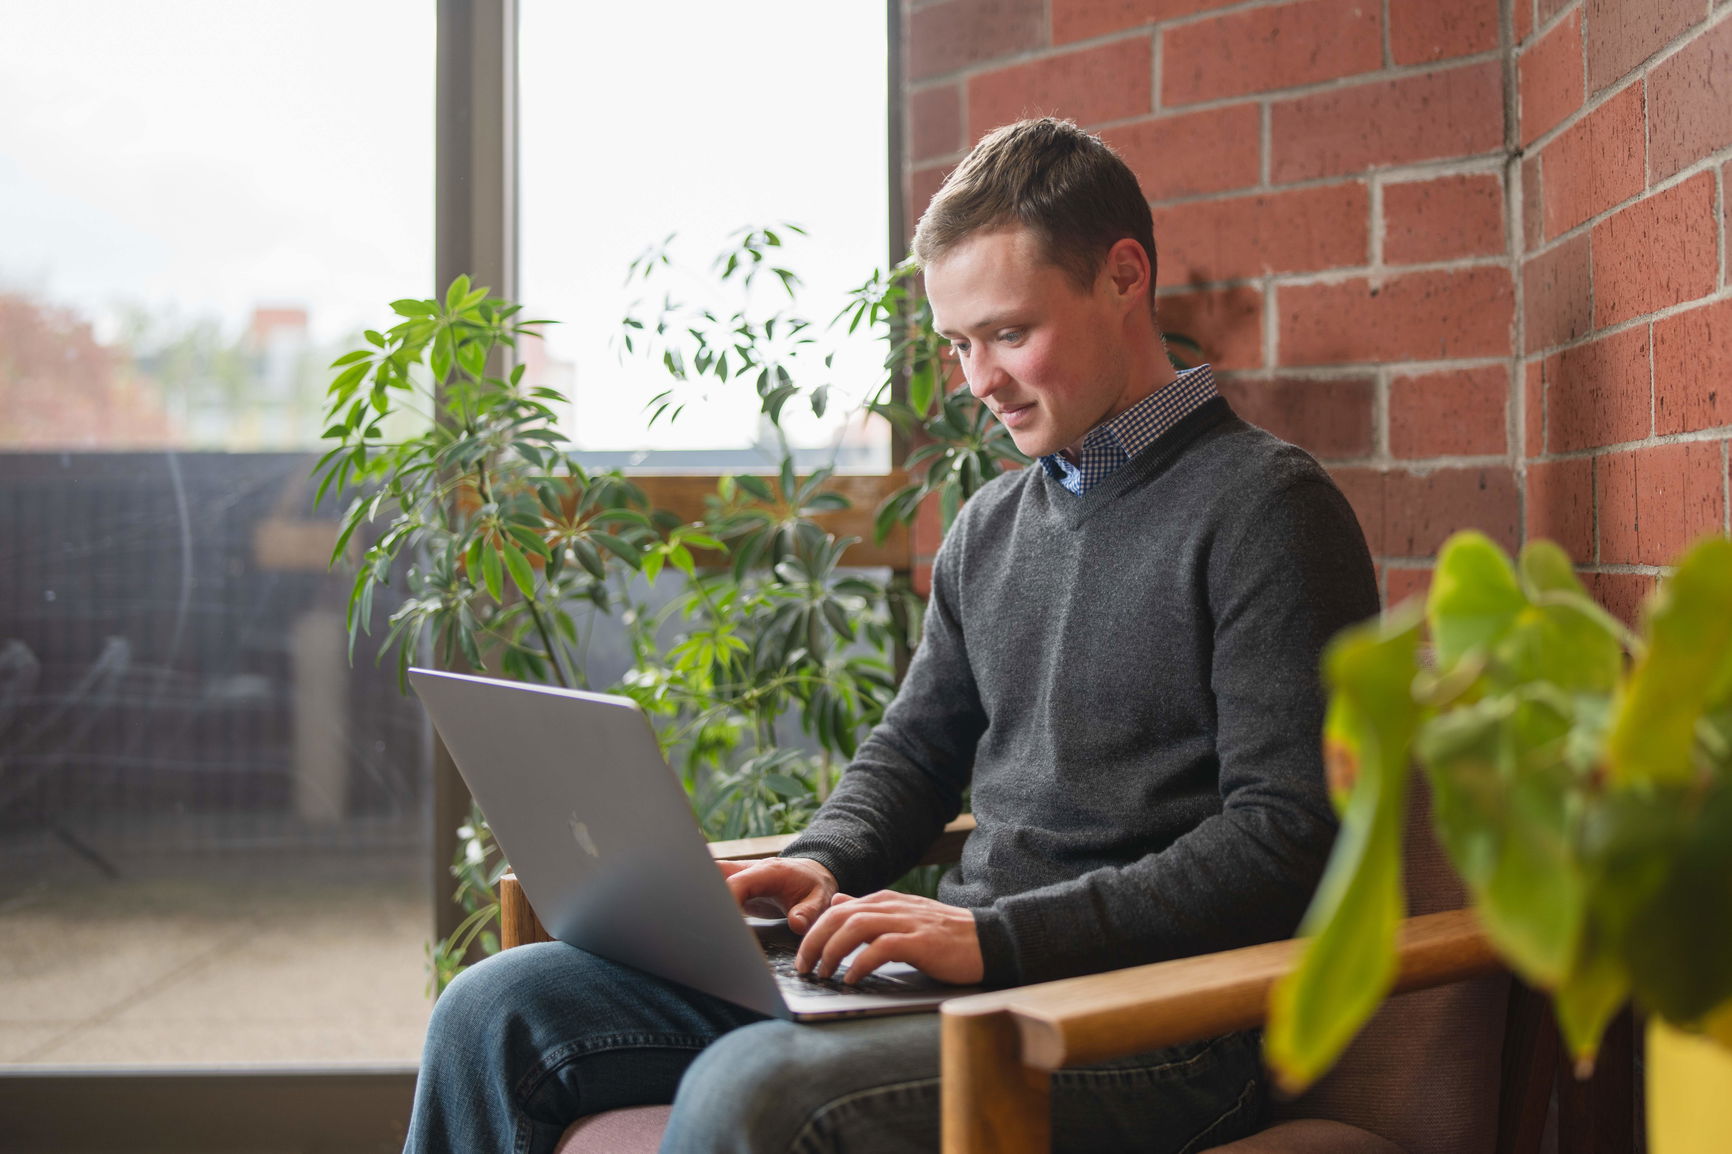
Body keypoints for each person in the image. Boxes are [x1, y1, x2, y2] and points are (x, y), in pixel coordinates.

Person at [404, 117, 1379, 1154]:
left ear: (1122, 275)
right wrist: (820, 859)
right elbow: (915, 752)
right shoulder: (992, 527)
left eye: (1007, 333)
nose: (977, 381)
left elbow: (1285, 834)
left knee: (754, 1090)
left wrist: (994, 937)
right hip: (974, 983)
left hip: (1158, 1028)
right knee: (497, 1007)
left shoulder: (1267, 507)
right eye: (958, 344)